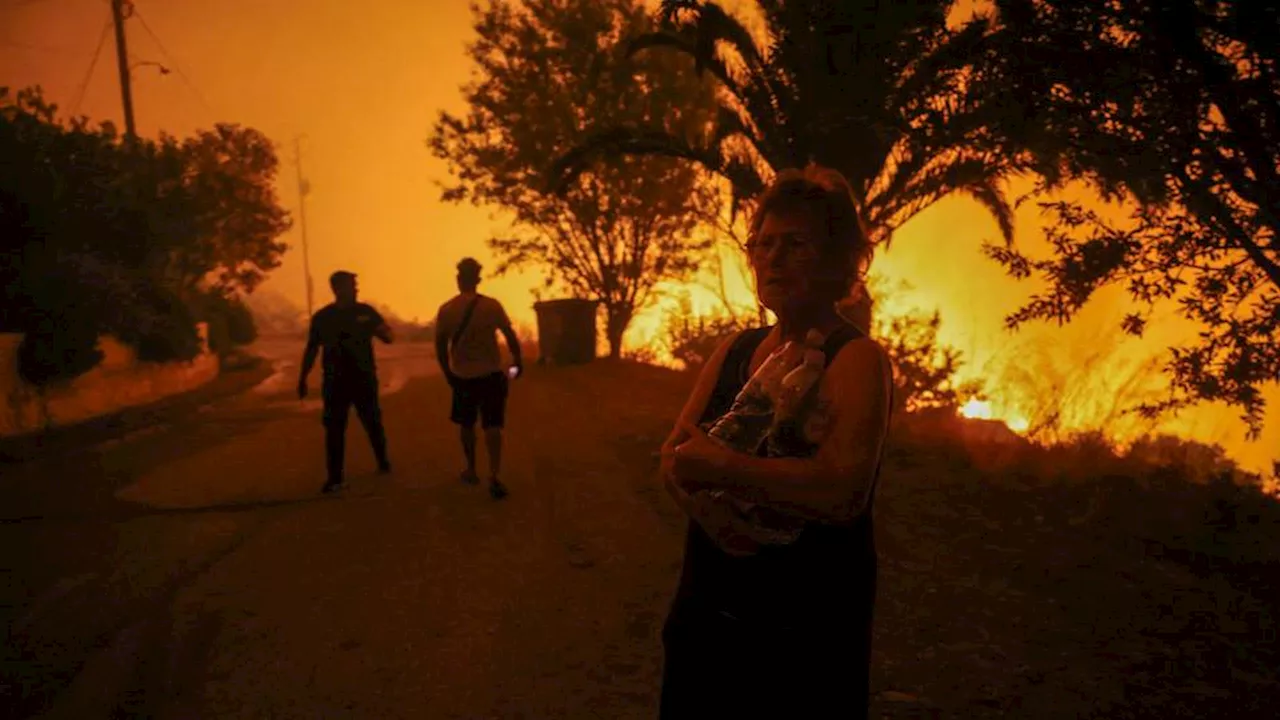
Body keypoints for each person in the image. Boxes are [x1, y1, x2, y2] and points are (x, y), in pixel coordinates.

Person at [657, 165, 895, 719]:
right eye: (762, 244)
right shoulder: (736, 349)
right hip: (709, 612)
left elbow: (842, 493)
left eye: (795, 243)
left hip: (804, 630)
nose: (772, 257)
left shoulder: (857, 359)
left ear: (838, 259)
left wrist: (721, 466)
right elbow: (673, 454)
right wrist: (717, 519)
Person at [298, 270, 394, 494]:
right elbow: (312, 349)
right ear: (338, 288)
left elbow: (388, 337)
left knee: (372, 422)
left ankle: (383, 460)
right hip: (335, 382)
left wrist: (384, 331)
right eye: (352, 284)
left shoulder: (365, 312)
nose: (356, 288)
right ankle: (335, 477)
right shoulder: (323, 318)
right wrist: (302, 377)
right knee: (334, 429)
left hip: (363, 379)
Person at [434, 257, 523, 500]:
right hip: (491, 374)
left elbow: (440, 346)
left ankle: (471, 469)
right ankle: (494, 474)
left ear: (458, 279)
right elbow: (509, 335)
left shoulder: (447, 309)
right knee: (493, 425)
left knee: (466, 424)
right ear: (478, 279)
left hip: (462, 376)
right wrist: (517, 362)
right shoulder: (492, 306)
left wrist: (447, 373)